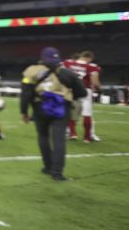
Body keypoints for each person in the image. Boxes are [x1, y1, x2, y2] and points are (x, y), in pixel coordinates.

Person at [20, 47, 88, 181]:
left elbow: (26, 93)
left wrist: (24, 111)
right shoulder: (67, 73)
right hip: (61, 106)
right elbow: (83, 92)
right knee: (59, 139)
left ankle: (48, 167)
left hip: (40, 106)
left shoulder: (31, 71)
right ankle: (57, 173)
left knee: (43, 136)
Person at [63, 51, 104, 142]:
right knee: (87, 114)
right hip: (85, 90)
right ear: (89, 58)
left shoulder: (68, 63)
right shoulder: (92, 66)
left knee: (72, 112)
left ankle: (73, 134)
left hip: (72, 90)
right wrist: (99, 89)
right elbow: (95, 82)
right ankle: (87, 137)